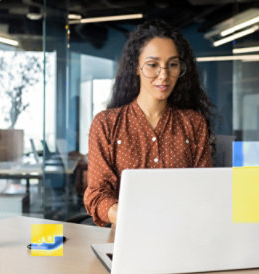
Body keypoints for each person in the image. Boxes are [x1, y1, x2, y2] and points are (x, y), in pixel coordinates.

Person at [84, 19, 215, 227]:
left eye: (172, 65)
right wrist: (133, 217)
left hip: (182, 236)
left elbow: (204, 191)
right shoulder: (106, 124)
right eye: (153, 65)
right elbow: (97, 194)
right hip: (125, 239)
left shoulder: (194, 124)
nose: (164, 75)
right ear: (136, 67)